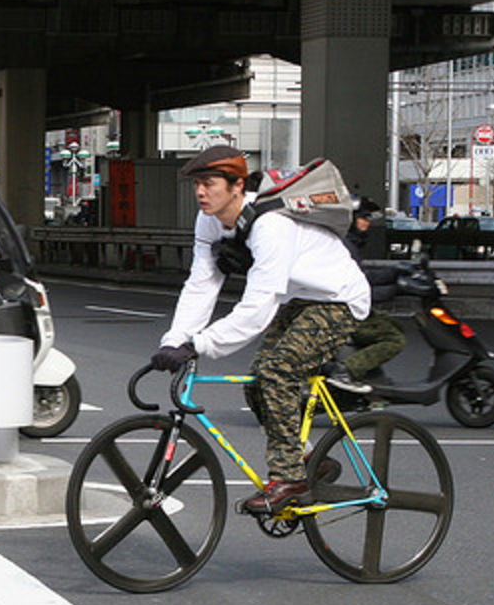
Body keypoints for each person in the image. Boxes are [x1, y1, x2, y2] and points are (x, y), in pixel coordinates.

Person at [153, 146, 371, 514]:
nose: (200, 193)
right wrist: (174, 340)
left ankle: (289, 477)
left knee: (277, 371)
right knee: (258, 385)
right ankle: (312, 460)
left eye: (209, 183)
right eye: (197, 185)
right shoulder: (209, 220)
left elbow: (257, 308)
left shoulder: (271, 225)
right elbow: (202, 284)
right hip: (299, 299)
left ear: (237, 186)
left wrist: (200, 344)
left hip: (339, 299)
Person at [323, 200, 407, 394]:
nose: (367, 223)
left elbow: (363, 276)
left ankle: (370, 376)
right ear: (351, 219)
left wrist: (397, 271)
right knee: (394, 339)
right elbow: (359, 287)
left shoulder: (346, 243)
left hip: (344, 308)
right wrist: (395, 289)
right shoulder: (345, 246)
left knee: (394, 326)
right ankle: (346, 370)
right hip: (345, 312)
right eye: (363, 218)